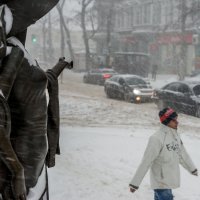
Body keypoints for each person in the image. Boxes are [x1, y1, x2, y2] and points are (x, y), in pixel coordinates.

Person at [0, 2, 72, 200]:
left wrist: (59, 67)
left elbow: (37, 83)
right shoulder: (11, 55)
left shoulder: (20, 51)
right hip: (22, 157)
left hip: (35, 155)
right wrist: (16, 172)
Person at [129, 107, 198, 200]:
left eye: (177, 119)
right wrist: (135, 184)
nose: (177, 122)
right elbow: (146, 162)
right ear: (166, 121)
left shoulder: (175, 136)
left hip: (169, 180)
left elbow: (182, 154)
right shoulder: (156, 139)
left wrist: (192, 169)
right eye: (174, 120)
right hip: (161, 183)